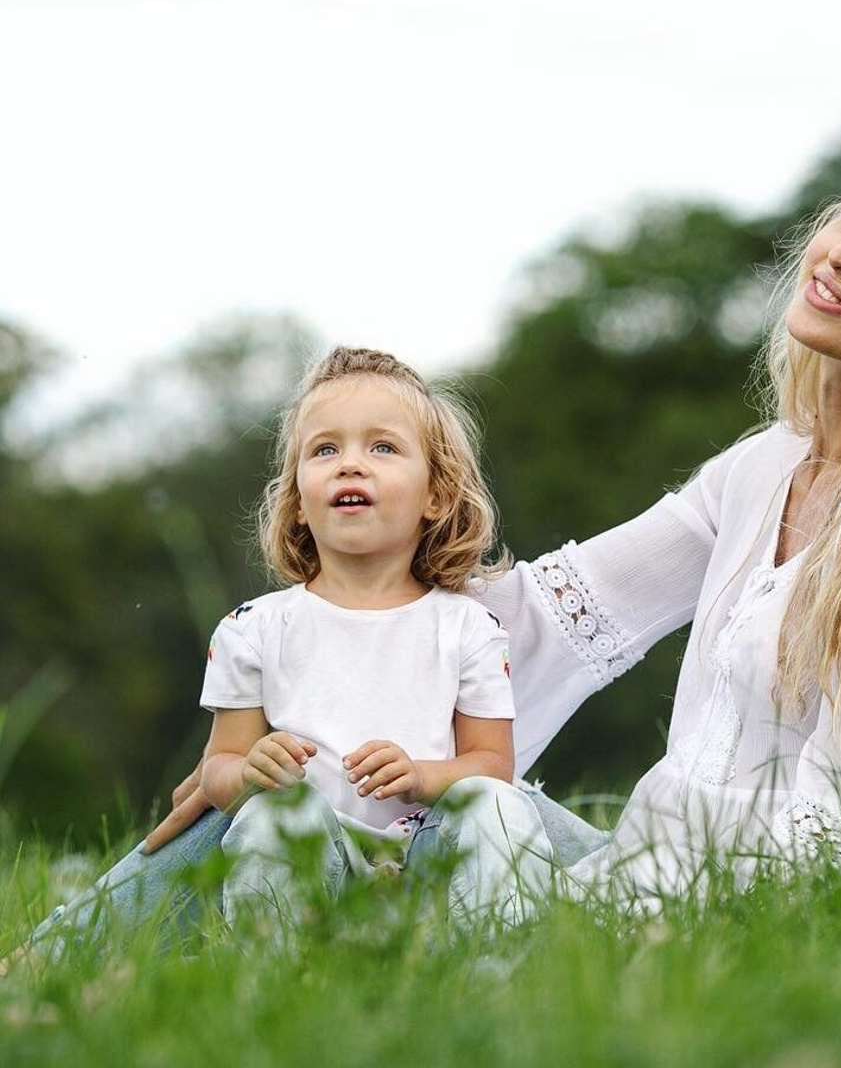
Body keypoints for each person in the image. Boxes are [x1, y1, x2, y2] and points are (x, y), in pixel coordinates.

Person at [22, 123, 841, 935]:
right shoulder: (768, 466)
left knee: (347, 822)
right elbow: (559, 610)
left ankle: (47, 980)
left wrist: (632, 942)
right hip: (633, 864)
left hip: (701, 920)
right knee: (287, 793)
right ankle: (47, 973)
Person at [25, 347, 554, 955]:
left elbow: (492, 764)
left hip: (427, 860)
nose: (350, 464)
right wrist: (249, 774)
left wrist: (422, 775)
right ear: (299, 501)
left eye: (382, 447)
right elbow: (218, 767)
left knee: (496, 808)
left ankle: (491, 967)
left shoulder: (467, 627)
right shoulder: (255, 627)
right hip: (311, 858)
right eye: (325, 450)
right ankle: (278, 975)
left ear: (435, 494)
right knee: (273, 814)